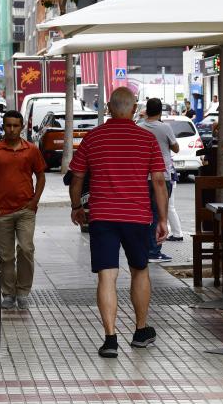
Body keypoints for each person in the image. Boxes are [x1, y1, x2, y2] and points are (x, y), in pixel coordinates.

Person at [68, 87, 169, 358]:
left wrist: (77, 207)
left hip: (102, 217)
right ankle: (140, 330)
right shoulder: (146, 139)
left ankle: (110, 339)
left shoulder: (93, 138)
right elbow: (159, 180)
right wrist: (163, 218)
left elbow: (77, 177)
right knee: (140, 270)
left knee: (107, 276)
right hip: (136, 217)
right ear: (135, 109)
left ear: (109, 108)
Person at [0, 110, 47, 310]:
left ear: (22, 127)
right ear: (3, 126)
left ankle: (23, 291)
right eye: (8, 125)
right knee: (6, 256)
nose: (11, 129)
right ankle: (8, 293)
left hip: (25, 209)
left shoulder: (31, 150)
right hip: (1, 211)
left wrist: (34, 201)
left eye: (15, 126)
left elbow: (41, 176)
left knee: (26, 249)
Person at [138, 98, 180, 262]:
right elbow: (176, 148)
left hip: (142, 176)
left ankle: (143, 248)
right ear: (160, 111)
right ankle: (154, 251)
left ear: (146, 110)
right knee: (158, 213)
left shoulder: (139, 127)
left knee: (144, 213)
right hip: (162, 175)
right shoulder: (165, 128)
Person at [166, 170, 183, 242]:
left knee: (169, 208)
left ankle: (177, 233)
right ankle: (177, 233)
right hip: (169, 178)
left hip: (168, 179)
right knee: (170, 208)